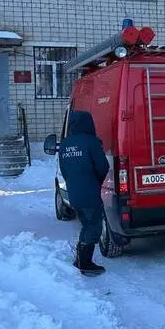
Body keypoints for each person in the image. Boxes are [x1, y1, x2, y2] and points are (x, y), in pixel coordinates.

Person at [58, 110, 109, 276]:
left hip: (73, 192)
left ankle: (80, 259)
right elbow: (103, 167)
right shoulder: (91, 142)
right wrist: (96, 181)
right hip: (90, 191)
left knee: (85, 223)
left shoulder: (65, 145)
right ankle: (85, 262)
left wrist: (74, 182)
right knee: (93, 226)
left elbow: (64, 170)